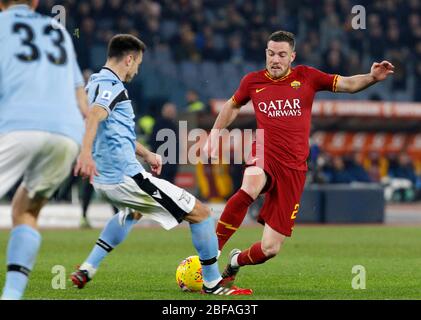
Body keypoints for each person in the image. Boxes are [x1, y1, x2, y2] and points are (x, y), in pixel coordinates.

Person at [205, 30, 394, 284]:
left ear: (292, 56)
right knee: (250, 185)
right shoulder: (252, 81)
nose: (275, 59)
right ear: (266, 54)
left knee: (270, 249)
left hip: (294, 168)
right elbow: (232, 106)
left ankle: (234, 262)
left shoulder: (307, 77)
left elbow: (348, 84)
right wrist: (214, 135)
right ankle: (209, 255)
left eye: (282, 55)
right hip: (264, 151)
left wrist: (372, 77)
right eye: (271, 54)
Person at [70, 34, 252, 296]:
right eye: (138, 64)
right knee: (200, 214)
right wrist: (84, 153)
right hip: (124, 176)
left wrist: (147, 154)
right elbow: (95, 118)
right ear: (129, 59)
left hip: (105, 179)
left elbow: (112, 130)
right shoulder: (112, 85)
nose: (137, 69)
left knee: (131, 213)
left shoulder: (93, 83)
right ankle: (213, 284)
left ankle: (87, 268)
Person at [0, 0, 87, 299]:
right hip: (66, 134)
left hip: (17, 125)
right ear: (35, 2)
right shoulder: (59, 31)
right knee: (25, 209)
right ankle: (11, 295)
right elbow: (80, 95)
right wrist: (87, 147)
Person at [149, 102, 179, 184]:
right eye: (170, 111)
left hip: (169, 163)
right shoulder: (161, 124)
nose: (173, 113)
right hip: (163, 163)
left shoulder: (171, 124)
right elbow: (153, 142)